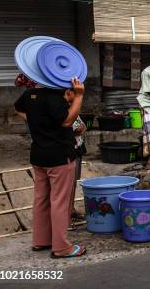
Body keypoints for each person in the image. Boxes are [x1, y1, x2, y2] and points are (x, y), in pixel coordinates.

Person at [14, 77, 86, 258]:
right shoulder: (54, 96)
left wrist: (37, 122)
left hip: (38, 155)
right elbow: (68, 121)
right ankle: (62, 247)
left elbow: (18, 108)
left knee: (41, 199)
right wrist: (79, 96)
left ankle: (41, 240)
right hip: (59, 156)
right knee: (60, 202)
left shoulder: (30, 94)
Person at [64, 89, 87, 224]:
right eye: (75, 93)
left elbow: (83, 126)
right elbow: (77, 128)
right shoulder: (63, 108)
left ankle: (70, 209)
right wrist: (79, 129)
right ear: (68, 93)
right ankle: (67, 213)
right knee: (68, 183)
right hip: (70, 149)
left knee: (73, 182)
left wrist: (81, 128)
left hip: (77, 147)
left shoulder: (72, 107)